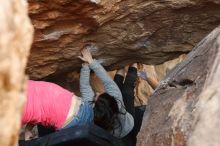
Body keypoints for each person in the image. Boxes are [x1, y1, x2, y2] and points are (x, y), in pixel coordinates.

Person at [21, 47, 134, 138]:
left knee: (127, 89)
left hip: (119, 131)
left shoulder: (92, 116)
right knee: (123, 88)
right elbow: (108, 82)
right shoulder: (116, 105)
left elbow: (87, 87)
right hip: (123, 122)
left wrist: (87, 65)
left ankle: (127, 69)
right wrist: (89, 63)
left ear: (93, 106)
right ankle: (128, 67)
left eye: (97, 97)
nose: (98, 93)